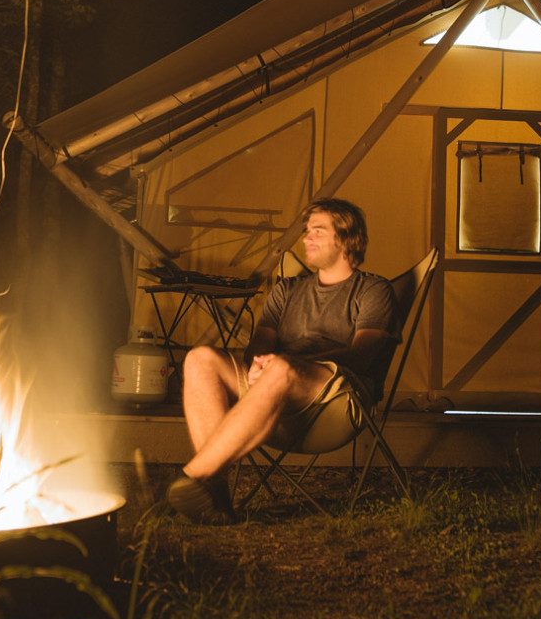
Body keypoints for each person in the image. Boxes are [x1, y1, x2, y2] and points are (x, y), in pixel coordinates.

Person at [168, 198, 394, 522]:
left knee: (282, 368)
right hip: (271, 390)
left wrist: (282, 364)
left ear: (346, 238)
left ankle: (189, 477)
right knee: (199, 358)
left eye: (318, 231)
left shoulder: (373, 289)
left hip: (334, 400)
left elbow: (362, 355)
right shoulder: (286, 289)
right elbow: (259, 346)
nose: (306, 238)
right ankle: (213, 494)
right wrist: (258, 365)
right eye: (307, 231)